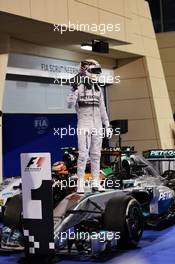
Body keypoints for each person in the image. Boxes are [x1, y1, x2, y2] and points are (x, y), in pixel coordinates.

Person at [67, 59, 112, 193]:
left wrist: (107, 125)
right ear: (86, 72)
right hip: (83, 124)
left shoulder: (98, 89)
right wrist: (74, 90)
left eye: (97, 72)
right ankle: (80, 184)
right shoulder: (78, 86)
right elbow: (69, 105)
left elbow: (102, 108)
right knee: (82, 155)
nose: (96, 75)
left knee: (96, 155)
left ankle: (95, 183)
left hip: (97, 125)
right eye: (94, 72)